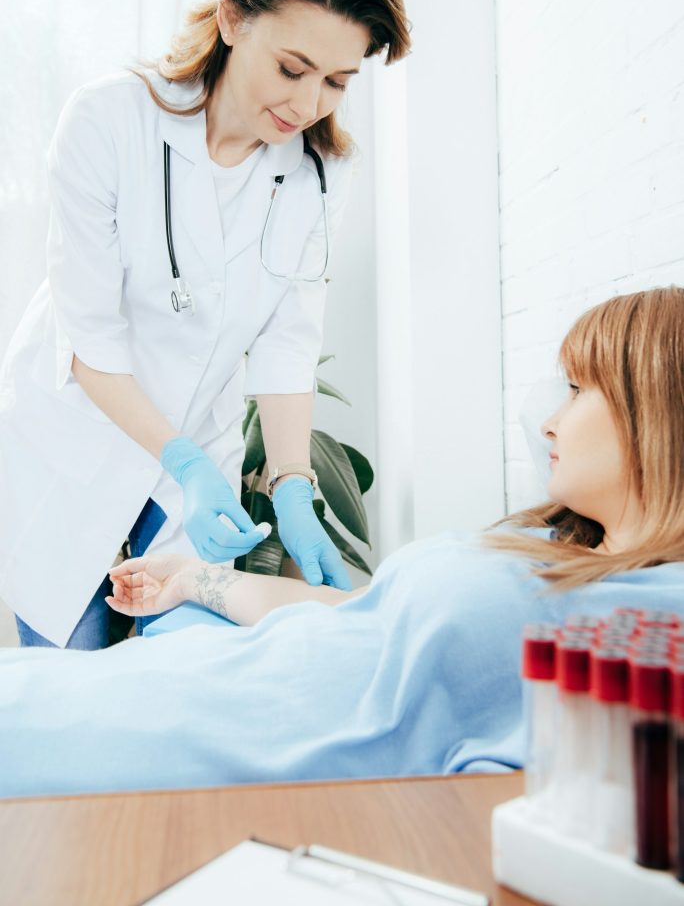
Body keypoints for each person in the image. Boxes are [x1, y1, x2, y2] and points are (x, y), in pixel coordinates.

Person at [0, 288, 682, 799]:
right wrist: (192, 582)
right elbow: (361, 616)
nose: (551, 423)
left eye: (577, 390)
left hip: (268, 738)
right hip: (238, 680)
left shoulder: (657, 606)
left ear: (656, 411)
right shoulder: (557, 543)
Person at [0, 0, 411, 649]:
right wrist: (181, 459)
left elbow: (289, 338)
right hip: (77, 443)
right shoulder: (106, 122)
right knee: (76, 682)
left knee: (186, 669)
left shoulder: (323, 171)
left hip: (199, 459)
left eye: (337, 81)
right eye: (292, 68)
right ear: (231, 18)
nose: (308, 104)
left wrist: (291, 479)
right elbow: (91, 335)